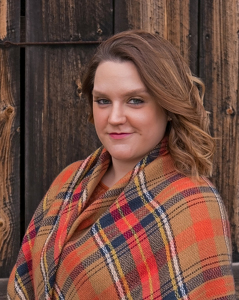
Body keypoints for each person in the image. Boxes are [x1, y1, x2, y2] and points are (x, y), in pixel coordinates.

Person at [7, 30, 236, 299]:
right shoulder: (69, 181)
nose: (115, 117)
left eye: (135, 101)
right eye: (103, 101)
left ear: (168, 106)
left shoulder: (193, 203)